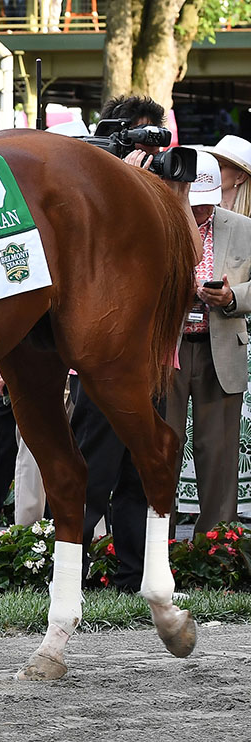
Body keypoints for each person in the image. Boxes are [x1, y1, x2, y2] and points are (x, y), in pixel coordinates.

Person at [69, 95, 167, 591]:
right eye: (138, 137)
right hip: (102, 360)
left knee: (140, 474)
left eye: (155, 136)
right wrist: (123, 183)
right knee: (91, 471)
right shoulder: (88, 189)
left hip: (151, 360)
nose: (148, 148)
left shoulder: (164, 190)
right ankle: (70, 575)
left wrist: (155, 187)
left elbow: (182, 256)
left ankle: (134, 574)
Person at [165, 151, 251, 533]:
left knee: (218, 452)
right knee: (161, 447)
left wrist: (232, 298)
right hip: (168, 350)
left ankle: (216, 545)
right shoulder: (161, 221)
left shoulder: (243, 227)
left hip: (220, 348)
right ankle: (154, 541)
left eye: (207, 205)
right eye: (195, 204)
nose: (201, 212)